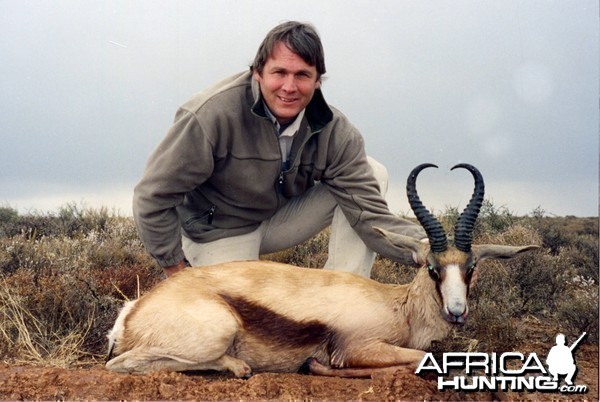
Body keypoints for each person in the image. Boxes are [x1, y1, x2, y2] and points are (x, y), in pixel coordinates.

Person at [133, 21, 426, 278]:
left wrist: (434, 251)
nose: (289, 86)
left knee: (373, 172)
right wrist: (176, 270)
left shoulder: (334, 130)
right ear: (257, 73)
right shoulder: (211, 115)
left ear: (318, 80)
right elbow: (152, 195)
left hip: (278, 219)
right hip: (218, 231)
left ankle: (340, 304)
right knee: (246, 321)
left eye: (302, 75)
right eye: (279, 72)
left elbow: (370, 215)